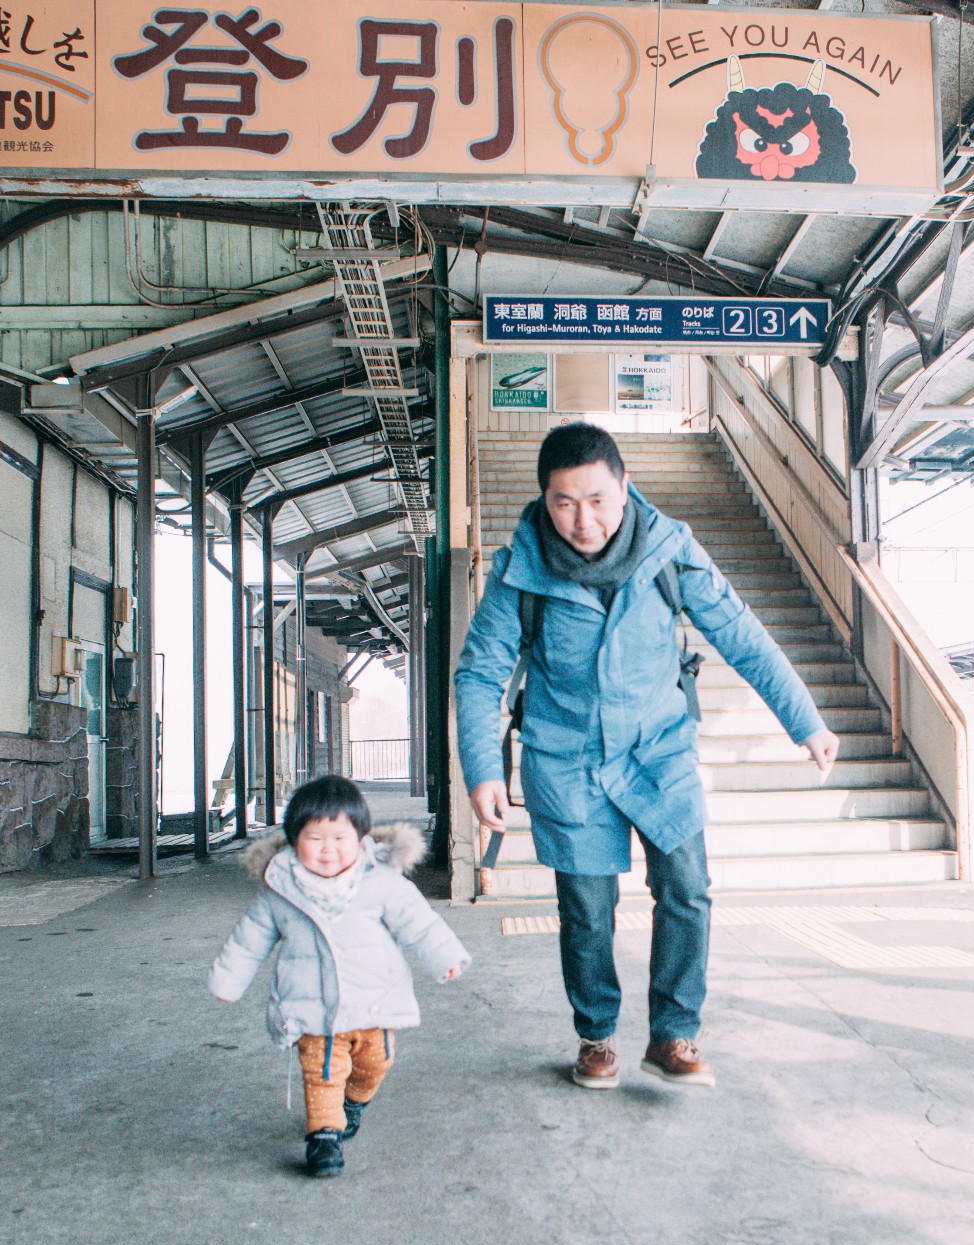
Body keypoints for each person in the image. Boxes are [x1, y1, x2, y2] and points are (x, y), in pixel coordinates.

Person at [454, 422, 839, 1090]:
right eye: (564, 503)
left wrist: (803, 718)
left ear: (625, 486)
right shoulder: (520, 569)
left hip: (658, 750)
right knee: (587, 911)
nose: (583, 519)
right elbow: (481, 672)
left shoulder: (670, 550)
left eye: (598, 498)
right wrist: (483, 767)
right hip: (566, 759)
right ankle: (596, 1036)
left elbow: (740, 634)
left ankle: (674, 1034)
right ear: (545, 499)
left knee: (687, 888)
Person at [209, 775, 469, 1178]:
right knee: (322, 1073)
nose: (327, 850)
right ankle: (323, 1137)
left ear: (361, 838)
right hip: (313, 1008)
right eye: (315, 839)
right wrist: (228, 980)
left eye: (339, 838)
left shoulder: (382, 881)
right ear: (295, 841)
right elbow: (250, 939)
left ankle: (355, 1102)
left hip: (374, 1004)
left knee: (374, 1065)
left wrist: (445, 957)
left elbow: (420, 923)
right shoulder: (280, 888)